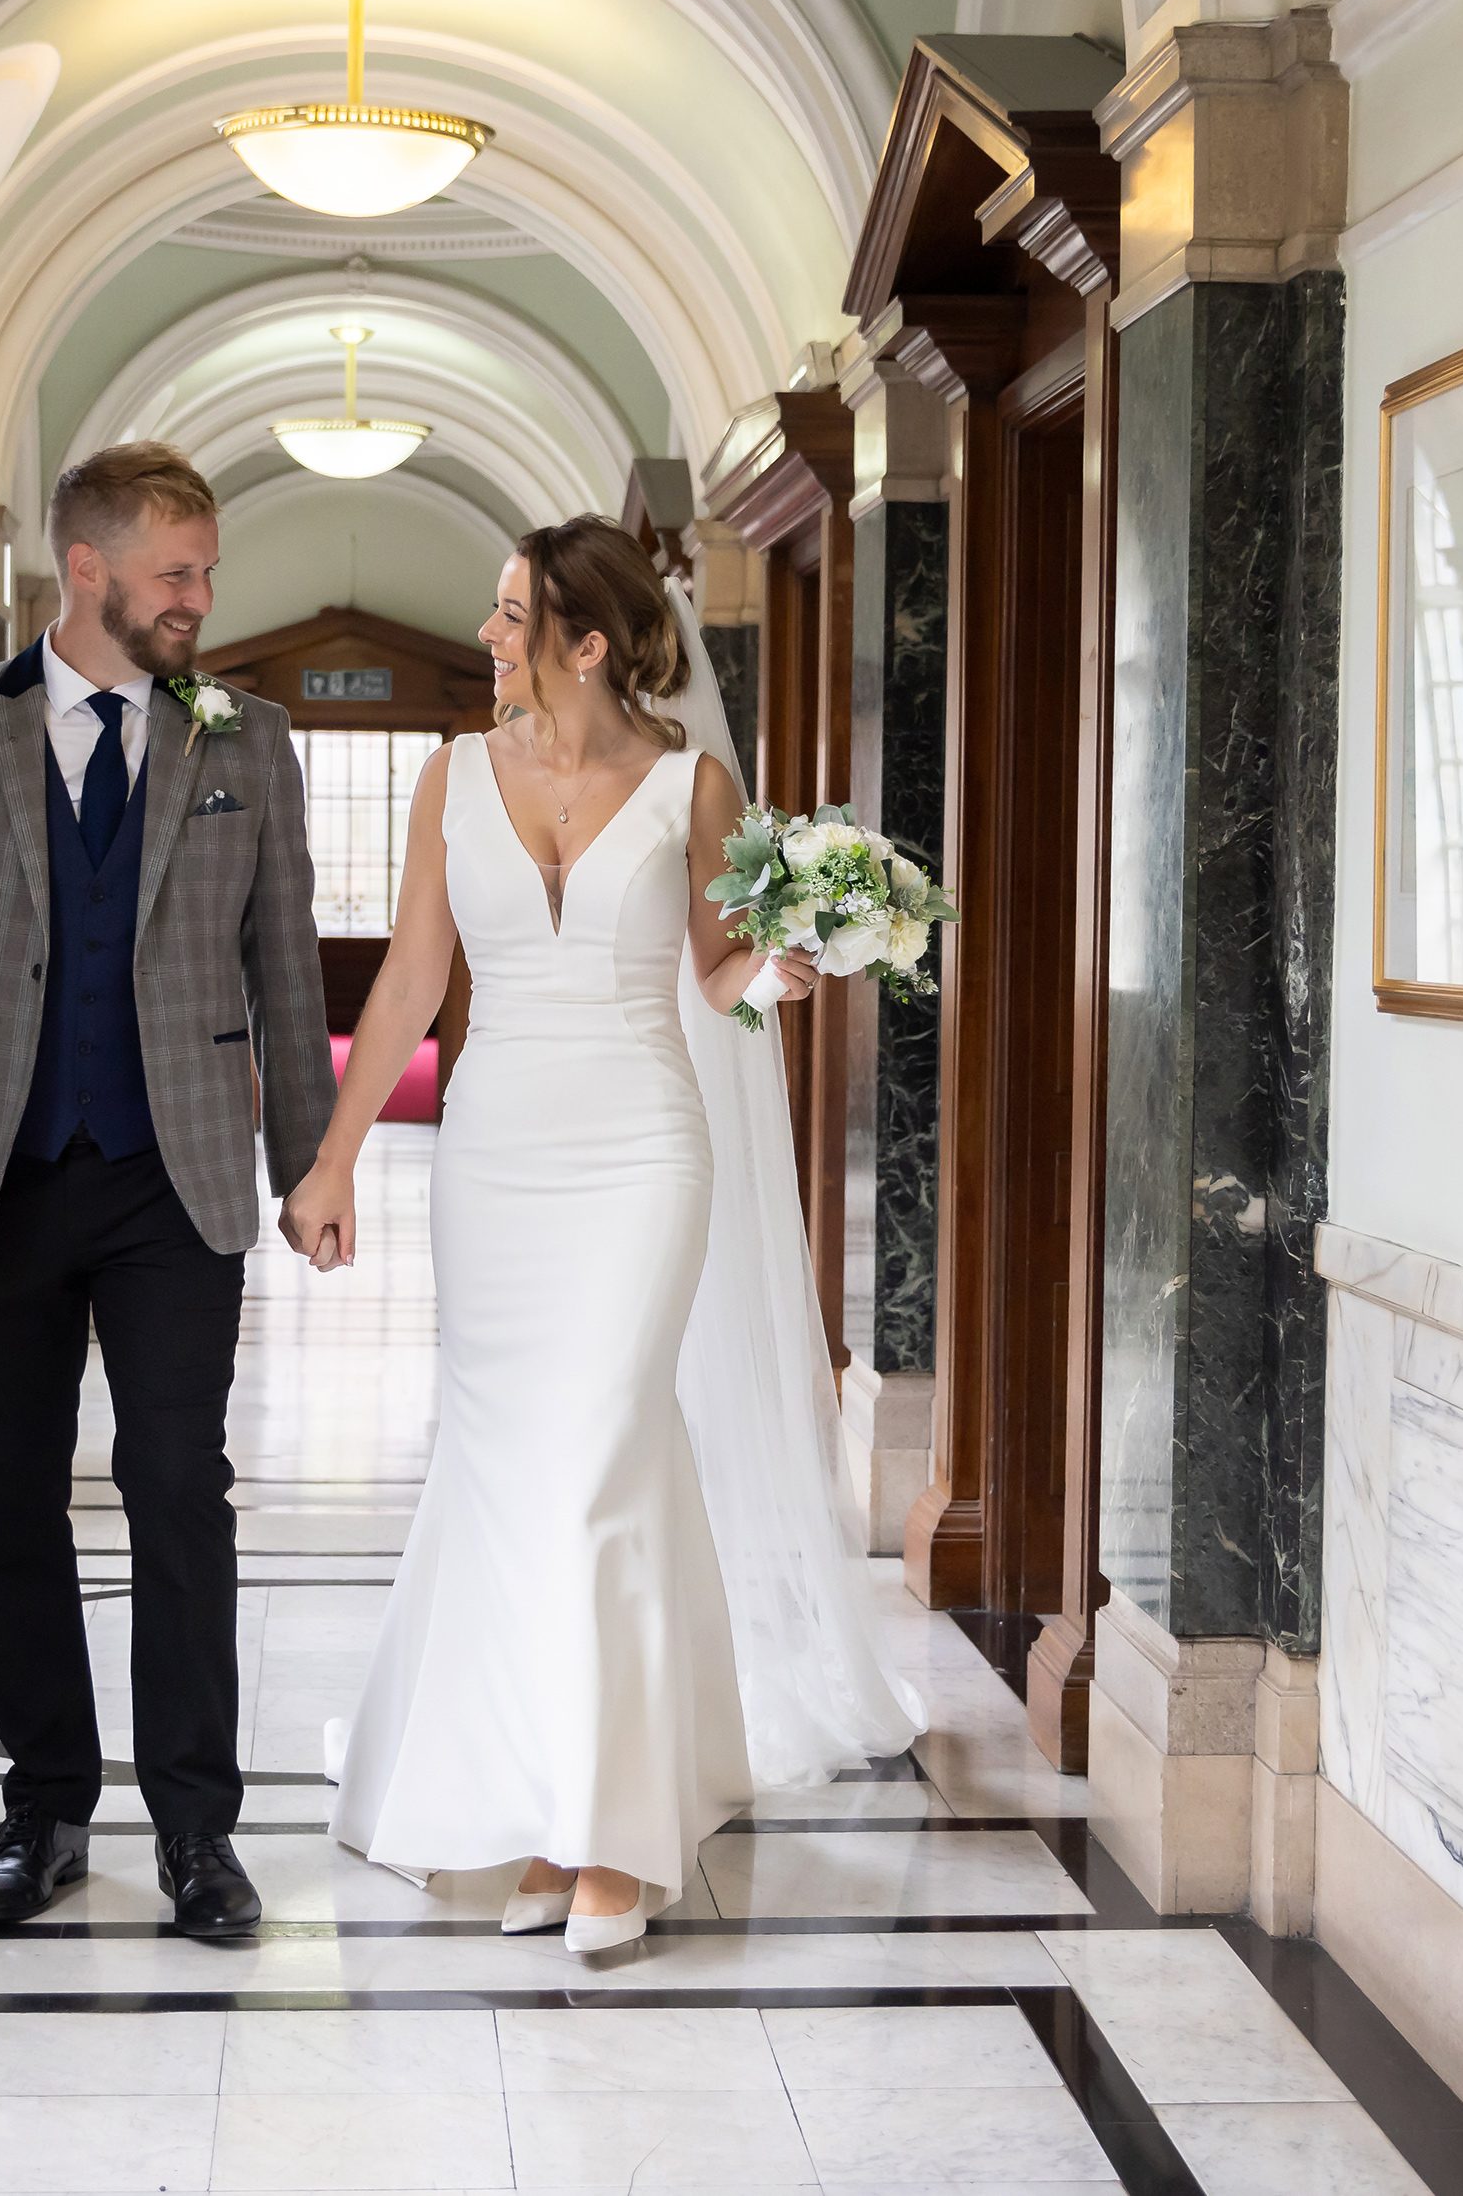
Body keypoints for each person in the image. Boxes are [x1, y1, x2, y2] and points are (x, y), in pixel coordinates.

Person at [281, 515, 923, 1955]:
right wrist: (330, 1162)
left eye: (513, 617)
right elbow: (405, 986)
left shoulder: (691, 785)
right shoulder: (449, 778)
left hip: (641, 1149)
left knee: (603, 1452)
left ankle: (613, 1838)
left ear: (586, 642)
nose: (488, 638)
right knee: (511, 1473)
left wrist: (801, 948)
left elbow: (714, 978)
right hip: (497, 1154)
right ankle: (535, 1798)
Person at [0, 441, 334, 1939]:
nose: (199, 601)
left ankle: (195, 1834)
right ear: (81, 569)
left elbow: (283, 980)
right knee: (10, 1507)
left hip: (175, 1189)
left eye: (207, 573)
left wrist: (311, 1167)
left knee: (178, 1492)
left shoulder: (245, 740)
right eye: (176, 574)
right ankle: (41, 1813)